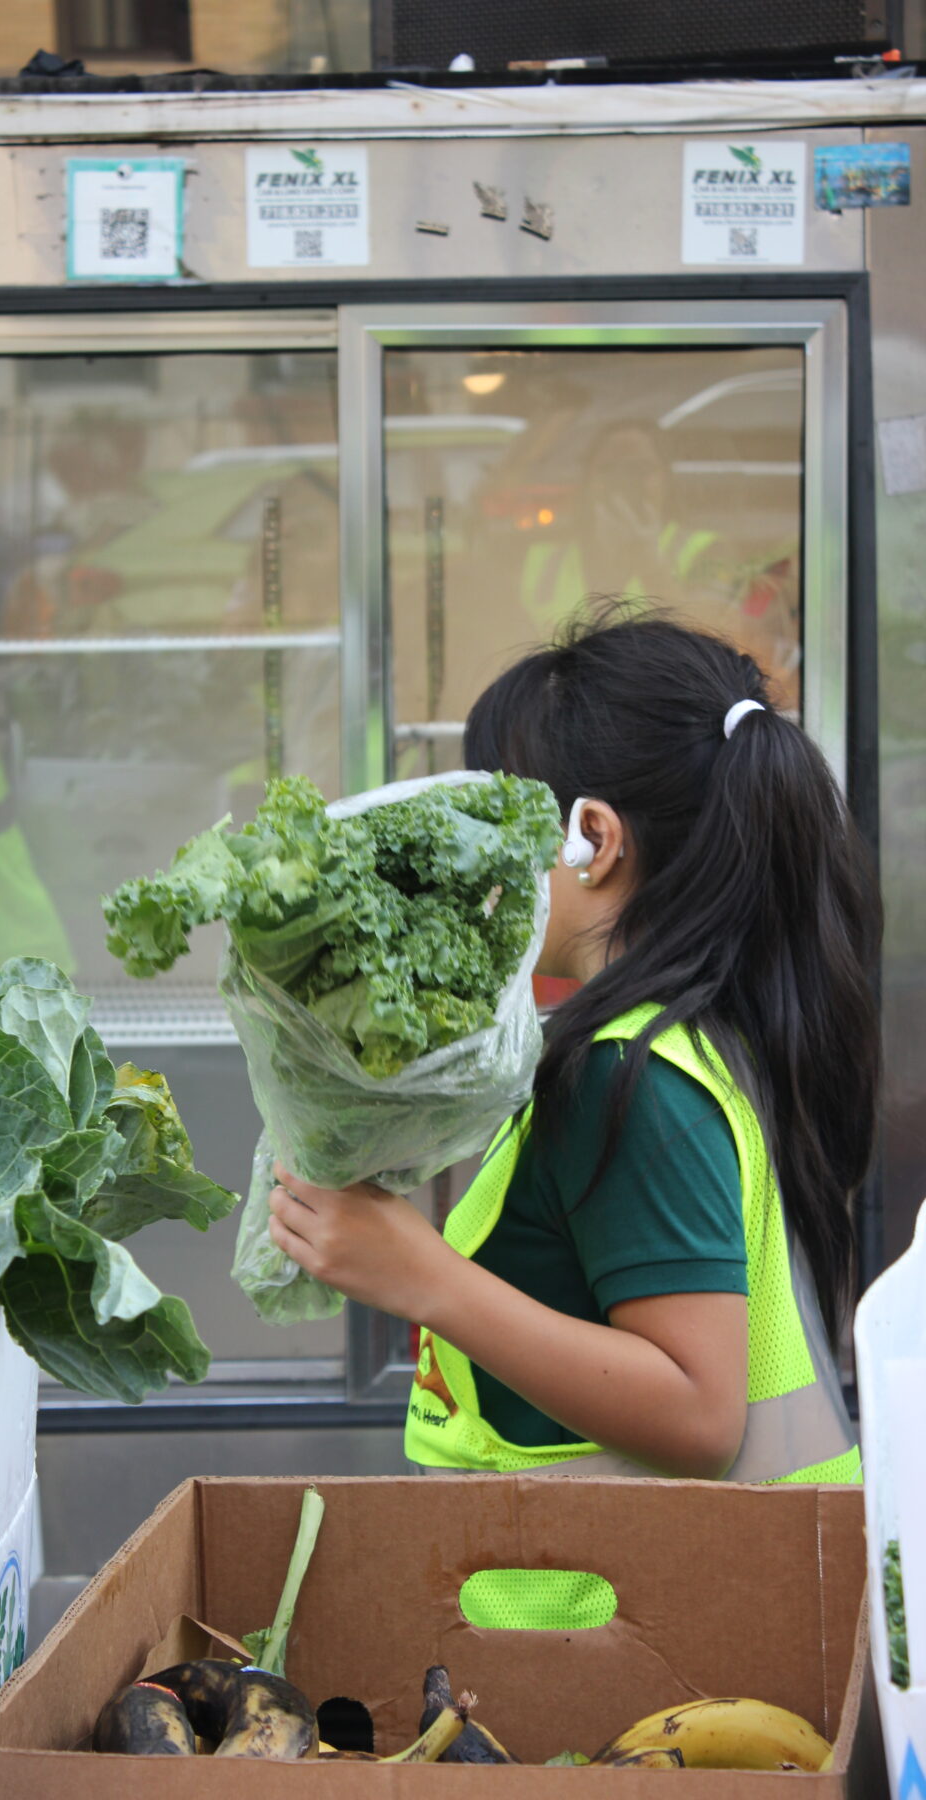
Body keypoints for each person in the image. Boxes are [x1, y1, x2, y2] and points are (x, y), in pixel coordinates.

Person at [268, 608, 881, 1508]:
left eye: (495, 817)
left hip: (611, 1625)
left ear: (591, 838)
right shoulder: (712, 1034)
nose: (476, 862)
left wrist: (420, 1274)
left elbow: (699, 1415)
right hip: (709, 1617)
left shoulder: (626, 1072)